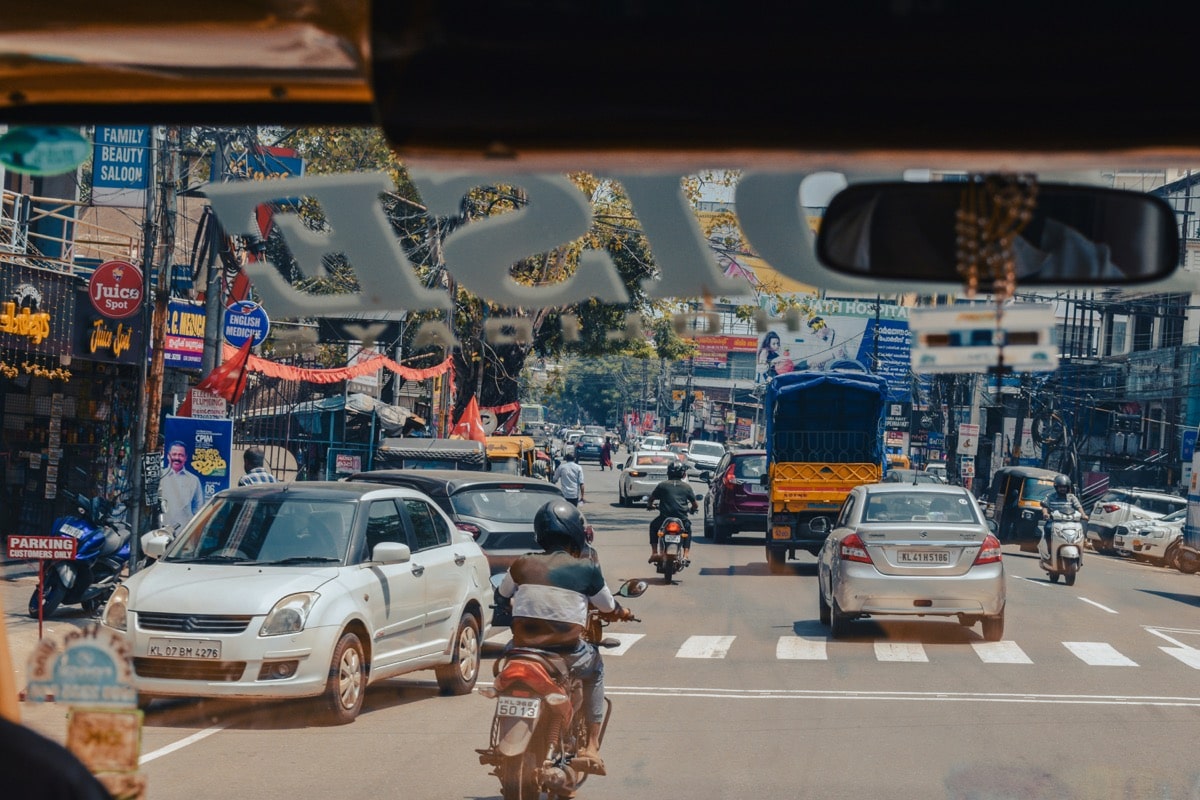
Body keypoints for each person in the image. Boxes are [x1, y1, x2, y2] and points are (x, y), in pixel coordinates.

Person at [496, 500, 634, 775]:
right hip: (567, 653)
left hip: (521, 651)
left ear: (540, 533)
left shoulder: (522, 563)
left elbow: (502, 595)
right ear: (576, 534)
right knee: (595, 668)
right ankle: (591, 747)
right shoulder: (587, 570)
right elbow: (607, 607)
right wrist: (623, 612)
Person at [647, 460, 698, 564]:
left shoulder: (662, 485)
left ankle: (654, 553)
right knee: (687, 530)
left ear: (668, 473)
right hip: (682, 519)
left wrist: (650, 506)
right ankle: (686, 555)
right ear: (683, 474)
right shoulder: (687, 487)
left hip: (664, 518)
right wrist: (692, 510)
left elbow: (651, 499)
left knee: (653, 526)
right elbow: (695, 504)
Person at [160, 440, 204, 532]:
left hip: (184, 534)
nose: (177, 457)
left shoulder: (193, 480)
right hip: (161, 531)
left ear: (185, 458)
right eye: (174, 454)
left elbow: (198, 508)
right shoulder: (160, 476)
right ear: (168, 456)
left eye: (181, 455)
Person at [1041, 473, 1087, 544]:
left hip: (1070, 522)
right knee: (1048, 528)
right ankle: (1049, 548)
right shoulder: (1050, 496)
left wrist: (1083, 515)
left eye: (1064, 487)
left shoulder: (1072, 497)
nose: (1062, 489)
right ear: (1056, 487)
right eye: (1060, 487)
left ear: (1068, 488)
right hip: (1054, 522)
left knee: (1080, 529)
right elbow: (1044, 506)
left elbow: (1078, 507)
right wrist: (1045, 513)